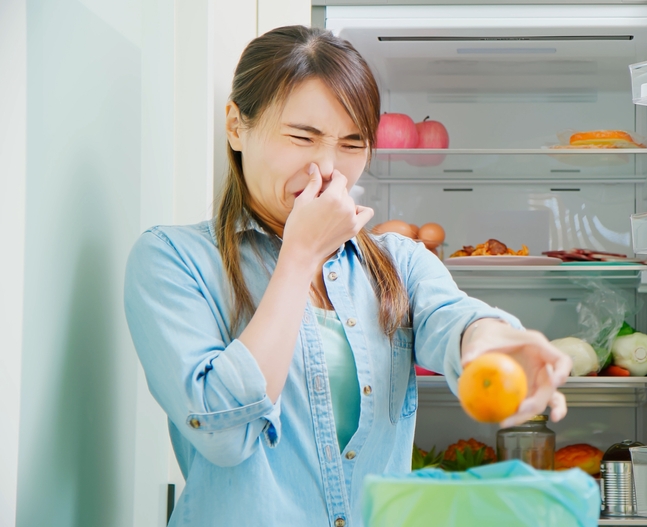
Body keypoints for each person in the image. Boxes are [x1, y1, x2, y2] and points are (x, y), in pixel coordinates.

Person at [124, 25, 573, 527]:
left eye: (352, 144)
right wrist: (300, 254)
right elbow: (224, 435)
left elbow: (455, 318)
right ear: (236, 125)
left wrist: (493, 344)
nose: (327, 169)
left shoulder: (398, 261)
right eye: (302, 137)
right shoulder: (173, 260)